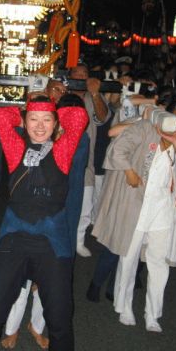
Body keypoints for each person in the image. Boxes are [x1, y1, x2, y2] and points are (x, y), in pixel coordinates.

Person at [0, 95, 89, 350]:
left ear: (56, 123)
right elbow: (0, 116)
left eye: (46, 120)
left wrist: (50, 110)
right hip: (14, 238)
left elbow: (79, 116)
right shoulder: (16, 149)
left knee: (60, 319)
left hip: (52, 242)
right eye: (33, 120)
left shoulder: (61, 150)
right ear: (25, 123)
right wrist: (24, 114)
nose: (39, 126)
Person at [94, 96, 176, 331]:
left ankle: (153, 314)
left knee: (158, 262)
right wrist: (129, 171)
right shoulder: (145, 128)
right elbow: (117, 149)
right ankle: (124, 305)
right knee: (128, 257)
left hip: (164, 209)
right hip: (136, 205)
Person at [68, 62, 111, 257]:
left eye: (84, 74)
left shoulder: (91, 97)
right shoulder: (63, 94)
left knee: (86, 205)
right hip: (61, 159)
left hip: (86, 161)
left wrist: (95, 93)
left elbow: (103, 118)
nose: (80, 77)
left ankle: (78, 240)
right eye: (76, 74)